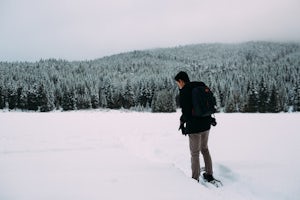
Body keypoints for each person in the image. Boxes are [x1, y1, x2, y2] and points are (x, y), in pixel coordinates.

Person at [175, 71, 215, 183]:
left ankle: (195, 179)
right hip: (206, 123)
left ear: (181, 81)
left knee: (195, 153)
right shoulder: (200, 85)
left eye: (178, 83)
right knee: (205, 149)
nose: (178, 85)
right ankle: (209, 174)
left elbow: (186, 112)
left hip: (194, 126)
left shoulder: (184, 91)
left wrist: (183, 123)